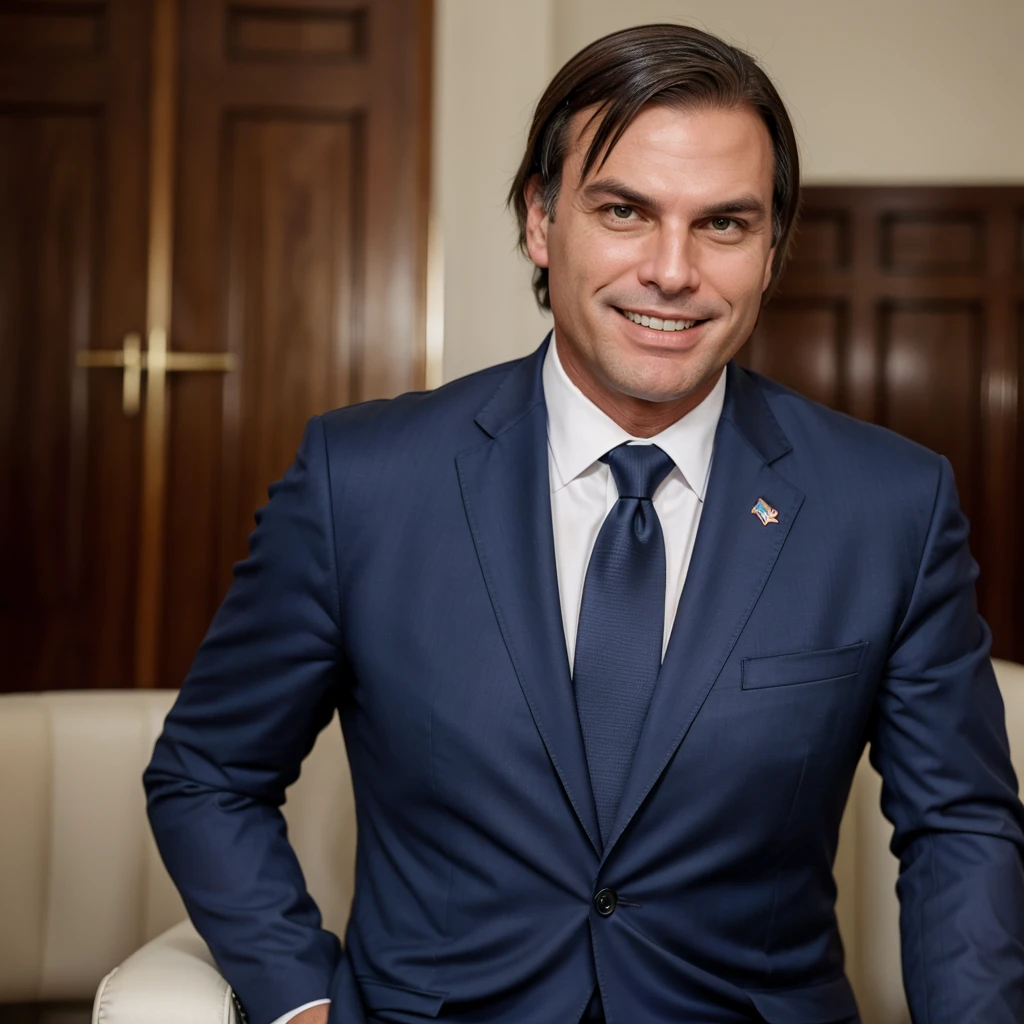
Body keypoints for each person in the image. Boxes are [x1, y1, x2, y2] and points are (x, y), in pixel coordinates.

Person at [144, 23, 1024, 1024]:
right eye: (623, 210)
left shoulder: (889, 506)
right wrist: (299, 999)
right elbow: (208, 771)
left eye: (724, 224)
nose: (671, 269)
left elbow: (959, 825)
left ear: (771, 249)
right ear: (540, 220)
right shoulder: (361, 482)